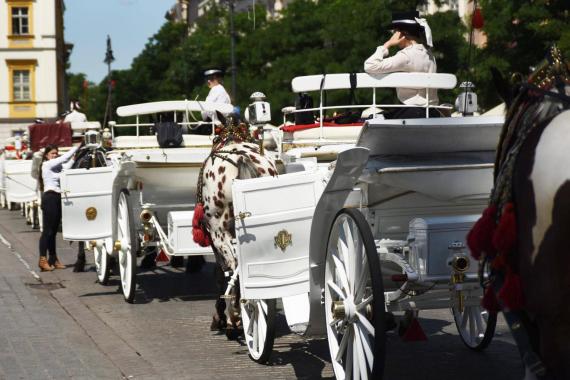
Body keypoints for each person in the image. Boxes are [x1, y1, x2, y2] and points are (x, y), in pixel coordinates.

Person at [364, 11, 440, 119]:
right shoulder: (430, 55)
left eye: (394, 32)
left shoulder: (406, 56)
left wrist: (387, 44)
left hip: (413, 114)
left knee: (373, 118)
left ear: (401, 34)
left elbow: (370, 65)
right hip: (433, 113)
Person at [37, 144, 79, 271]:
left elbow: (67, 167)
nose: (55, 155)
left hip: (57, 198)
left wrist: (74, 158)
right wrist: (76, 147)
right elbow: (64, 158)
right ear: (46, 155)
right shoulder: (47, 165)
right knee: (47, 231)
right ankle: (42, 259)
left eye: (56, 153)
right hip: (49, 197)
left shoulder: (57, 167)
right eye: (52, 153)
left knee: (53, 232)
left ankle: (53, 259)